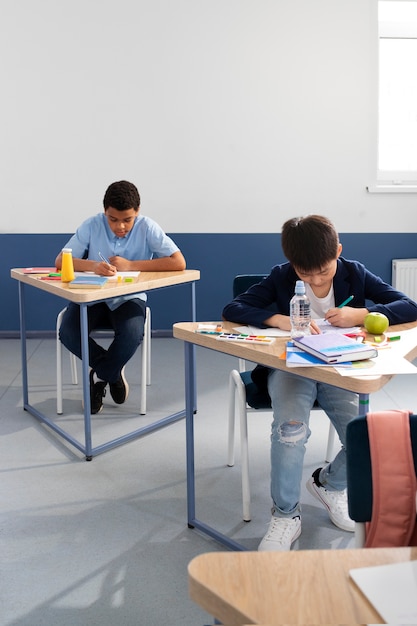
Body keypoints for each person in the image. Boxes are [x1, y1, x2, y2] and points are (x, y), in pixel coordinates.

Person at [222, 214, 417, 551]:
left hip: (338, 367)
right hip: (290, 368)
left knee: (366, 436)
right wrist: (279, 319)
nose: (314, 280)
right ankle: (285, 515)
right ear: (291, 264)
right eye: (304, 273)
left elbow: (409, 305)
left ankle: (328, 484)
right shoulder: (281, 276)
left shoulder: (354, 273)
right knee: (290, 431)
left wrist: (360, 315)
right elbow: (234, 308)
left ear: (338, 252)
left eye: (323, 272)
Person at [55, 180, 186, 414]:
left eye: (127, 220)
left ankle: (99, 377)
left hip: (128, 297)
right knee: (68, 332)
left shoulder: (148, 227)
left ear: (137, 212)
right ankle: (112, 372)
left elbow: (179, 262)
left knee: (132, 334)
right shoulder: (92, 224)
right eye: (113, 219)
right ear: (105, 211)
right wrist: (94, 265)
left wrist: (131, 265)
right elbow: (60, 262)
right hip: (92, 296)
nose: (120, 226)